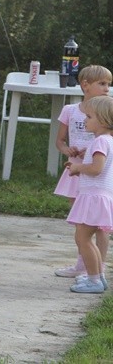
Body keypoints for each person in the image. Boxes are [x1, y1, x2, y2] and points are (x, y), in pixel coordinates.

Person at [53, 65, 112, 279]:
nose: (107, 88)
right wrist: (67, 150)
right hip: (77, 173)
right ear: (85, 85)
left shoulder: (106, 113)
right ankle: (82, 264)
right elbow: (59, 141)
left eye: (108, 84)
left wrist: (92, 152)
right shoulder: (70, 110)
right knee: (81, 224)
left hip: (96, 176)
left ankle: (98, 268)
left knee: (100, 227)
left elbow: (106, 148)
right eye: (102, 83)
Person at [65, 95, 113, 293]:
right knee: (85, 238)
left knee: (83, 239)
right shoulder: (108, 141)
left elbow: (96, 169)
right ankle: (98, 277)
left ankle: (93, 280)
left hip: (93, 197)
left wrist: (78, 169)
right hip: (100, 196)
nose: (85, 120)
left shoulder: (100, 141)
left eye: (89, 117)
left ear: (102, 121)